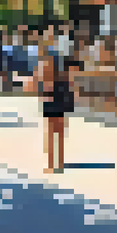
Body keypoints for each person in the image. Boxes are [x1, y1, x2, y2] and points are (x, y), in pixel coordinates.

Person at [31, 43, 74, 173]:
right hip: (60, 95)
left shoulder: (44, 65)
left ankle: (52, 163)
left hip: (51, 96)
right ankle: (59, 162)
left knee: (51, 132)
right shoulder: (62, 71)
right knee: (59, 131)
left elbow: (38, 80)